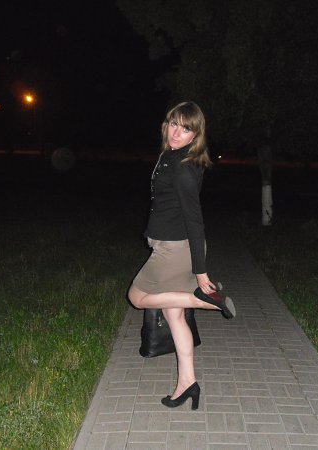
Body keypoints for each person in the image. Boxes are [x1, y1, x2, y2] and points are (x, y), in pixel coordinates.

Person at [128, 101, 236, 410]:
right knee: (173, 316)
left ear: (195, 136)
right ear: (166, 125)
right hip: (171, 245)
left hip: (175, 249)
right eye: (174, 124)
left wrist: (201, 273)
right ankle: (188, 383)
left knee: (137, 297)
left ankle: (203, 300)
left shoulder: (184, 167)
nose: (177, 132)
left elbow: (195, 220)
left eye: (186, 129)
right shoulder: (171, 156)